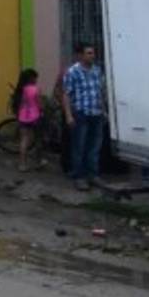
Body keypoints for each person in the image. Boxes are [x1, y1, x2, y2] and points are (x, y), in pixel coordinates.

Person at [62, 43, 105, 191]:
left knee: (94, 146)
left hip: (96, 113)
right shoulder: (72, 72)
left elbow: (100, 91)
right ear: (80, 55)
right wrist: (68, 116)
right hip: (80, 114)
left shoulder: (97, 71)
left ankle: (93, 175)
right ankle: (79, 177)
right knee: (79, 146)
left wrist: (104, 110)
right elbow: (66, 94)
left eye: (93, 53)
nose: (92, 56)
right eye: (88, 53)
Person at [11, 68, 45, 172]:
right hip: (35, 116)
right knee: (38, 140)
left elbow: (18, 104)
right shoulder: (36, 89)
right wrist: (42, 110)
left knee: (24, 140)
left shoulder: (20, 90)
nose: (37, 79)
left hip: (23, 117)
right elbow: (39, 104)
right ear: (32, 78)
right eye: (36, 77)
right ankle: (38, 162)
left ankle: (22, 165)